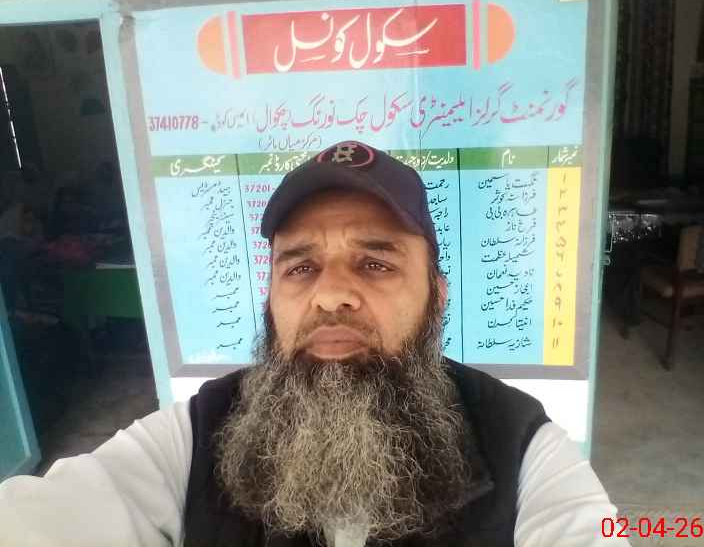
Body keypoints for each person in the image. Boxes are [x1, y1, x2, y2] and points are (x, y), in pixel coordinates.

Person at [0, 141, 630, 547]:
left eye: (376, 264)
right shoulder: (192, 438)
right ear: (272, 298)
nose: (330, 296)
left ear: (436, 296)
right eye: (300, 268)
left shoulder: (522, 448)